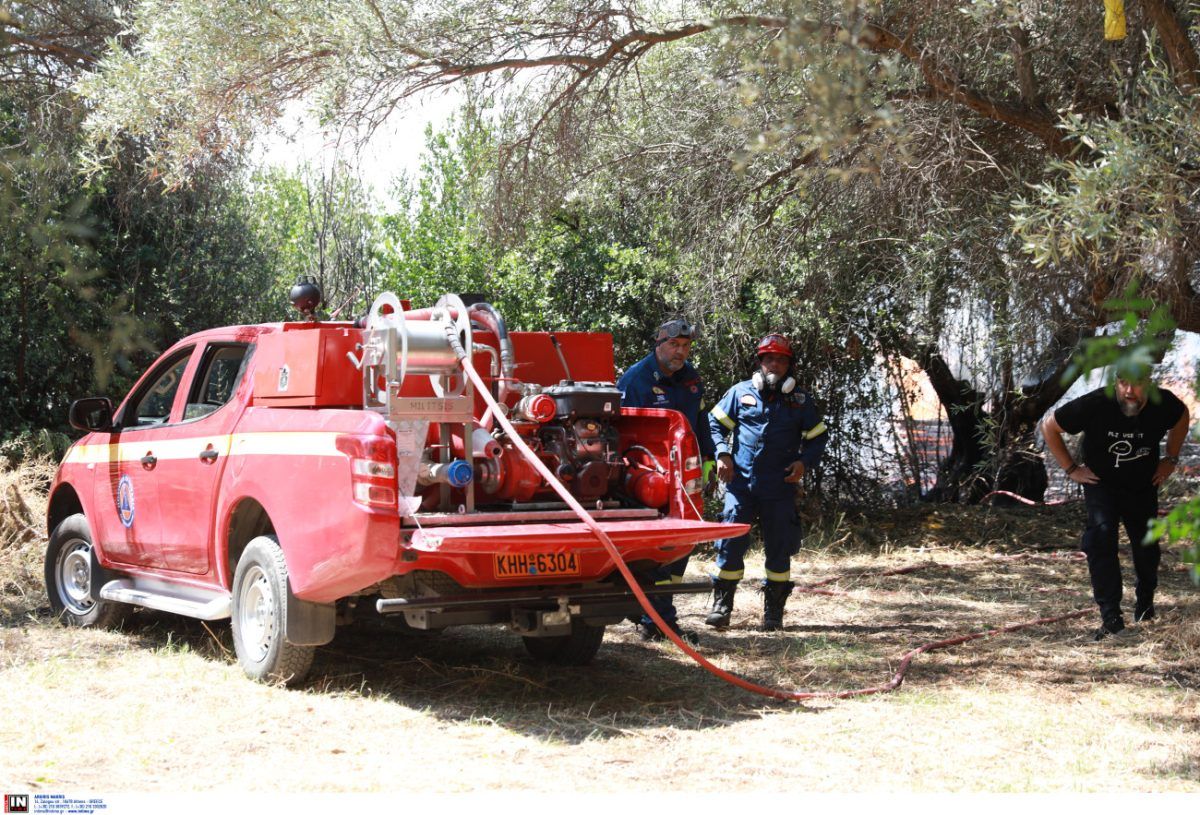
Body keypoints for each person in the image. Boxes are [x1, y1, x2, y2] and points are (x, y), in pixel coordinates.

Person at [1042, 377, 1190, 640]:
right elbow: (1050, 426)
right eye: (1124, 383)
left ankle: (1145, 600)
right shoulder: (1096, 403)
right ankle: (1111, 616)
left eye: (1137, 384)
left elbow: (1181, 417)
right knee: (1100, 536)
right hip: (1101, 484)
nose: (1130, 391)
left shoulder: (1164, 403)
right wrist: (1071, 469)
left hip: (1142, 484)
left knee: (1145, 546)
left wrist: (1171, 458)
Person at [706, 333, 828, 631]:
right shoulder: (739, 393)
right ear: (760, 362)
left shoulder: (801, 401)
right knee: (730, 547)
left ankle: (773, 615)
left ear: (790, 366)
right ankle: (722, 608)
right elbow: (714, 424)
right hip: (740, 486)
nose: (775, 364)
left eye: (781, 359)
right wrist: (722, 453)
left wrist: (803, 462)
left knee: (779, 550)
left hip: (780, 489)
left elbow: (818, 438)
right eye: (769, 358)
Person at [618, 318, 715, 643]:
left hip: (684, 478)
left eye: (686, 347)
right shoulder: (635, 380)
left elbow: (701, 422)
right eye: (674, 345)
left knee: (680, 546)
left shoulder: (692, 379)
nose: (680, 352)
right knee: (657, 549)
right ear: (658, 345)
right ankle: (657, 621)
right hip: (650, 480)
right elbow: (621, 434)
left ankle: (652, 615)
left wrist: (710, 460)